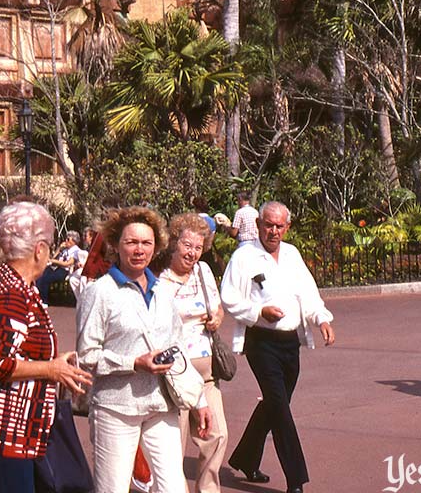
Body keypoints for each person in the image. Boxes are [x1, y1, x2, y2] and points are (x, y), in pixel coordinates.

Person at [76, 206, 212, 492]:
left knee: (173, 487)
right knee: (112, 488)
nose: (139, 249)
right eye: (132, 242)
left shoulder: (162, 291)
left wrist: (199, 400)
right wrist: (134, 362)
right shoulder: (99, 292)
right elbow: (87, 356)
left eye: (146, 243)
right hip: (116, 408)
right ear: (116, 245)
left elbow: (177, 346)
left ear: (157, 246)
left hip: (160, 404)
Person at [0, 201, 92, 492]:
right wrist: (50, 368)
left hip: (12, 427)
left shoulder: (15, 286)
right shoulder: (12, 294)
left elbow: (11, 347)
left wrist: (51, 360)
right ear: (39, 249)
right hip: (4, 427)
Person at [221, 201, 335, 493]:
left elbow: (308, 292)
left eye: (279, 226)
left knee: (275, 405)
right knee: (281, 410)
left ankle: (245, 457)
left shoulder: (293, 255)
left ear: (287, 227)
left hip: (289, 343)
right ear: (258, 224)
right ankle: (296, 480)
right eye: (268, 224)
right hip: (261, 343)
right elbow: (229, 297)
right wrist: (259, 313)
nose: (273, 231)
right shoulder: (244, 256)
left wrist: (321, 318)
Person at [155, 213, 229, 493]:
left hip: (206, 372)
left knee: (217, 434)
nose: (193, 253)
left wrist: (217, 319)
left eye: (198, 247)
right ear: (174, 244)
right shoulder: (161, 279)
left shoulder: (203, 272)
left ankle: (208, 489)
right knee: (175, 442)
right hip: (174, 375)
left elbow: (218, 307)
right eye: (188, 246)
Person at [34, 230, 86, 304]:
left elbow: (67, 264)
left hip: (64, 270)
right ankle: (37, 298)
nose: (66, 241)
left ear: (74, 241)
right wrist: (59, 249)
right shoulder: (65, 249)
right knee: (39, 274)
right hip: (56, 268)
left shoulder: (76, 251)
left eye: (68, 239)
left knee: (45, 278)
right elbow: (54, 258)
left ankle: (43, 300)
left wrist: (53, 261)